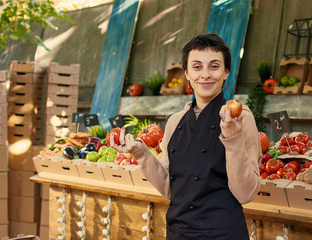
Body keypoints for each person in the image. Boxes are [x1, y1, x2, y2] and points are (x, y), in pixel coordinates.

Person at [109, 33, 261, 239]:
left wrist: (233, 140)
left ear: (226, 72)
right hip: (178, 232)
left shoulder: (240, 118)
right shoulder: (175, 122)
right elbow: (170, 190)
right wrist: (141, 153)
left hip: (223, 233)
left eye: (214, 66)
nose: (205, 74)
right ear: (187, 73)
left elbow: (246, 194)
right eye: (197, 67)